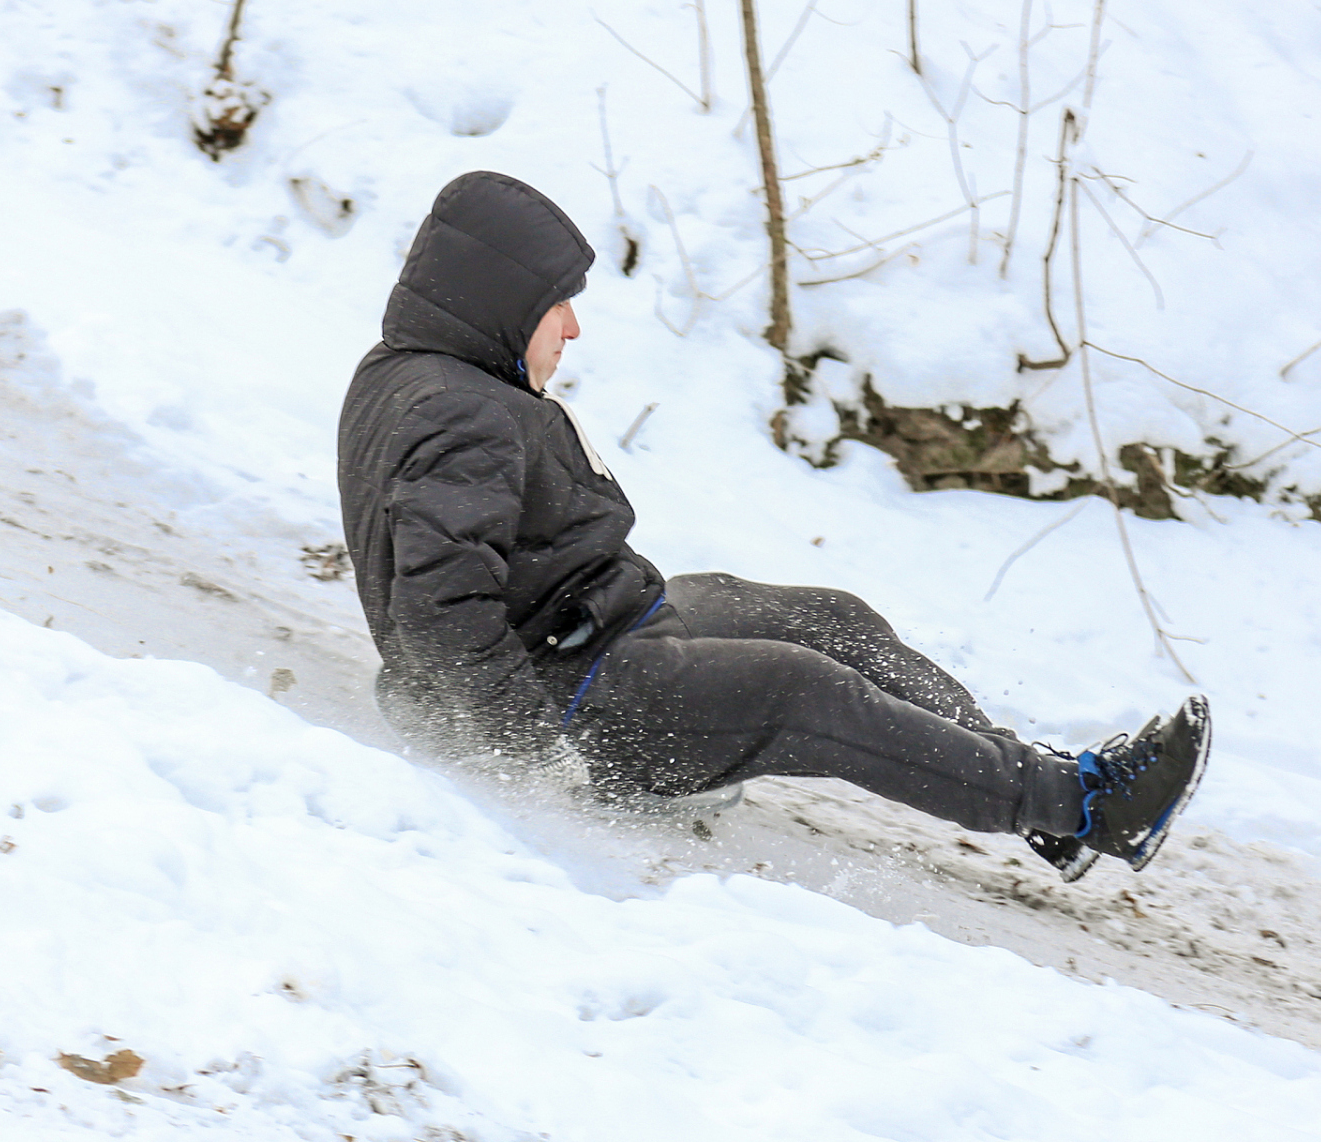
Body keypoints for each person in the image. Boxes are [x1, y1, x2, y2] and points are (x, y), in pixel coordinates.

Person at [336, 171, 1210, 882]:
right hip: (579, 707)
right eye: (554, 303)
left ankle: (1029, 786)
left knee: (831, 619)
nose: (572, 326)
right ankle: (1087, 807)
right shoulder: (462, 415)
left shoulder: (426, 380)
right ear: (499, 300)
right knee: (804, 691)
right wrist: (530, 756)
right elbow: (440, 615)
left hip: (597, 635)